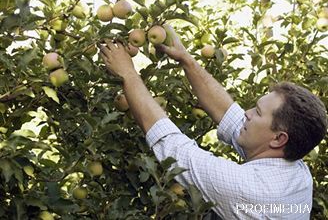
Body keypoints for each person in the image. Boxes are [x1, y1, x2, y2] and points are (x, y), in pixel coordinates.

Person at [99, 28, 327, 219]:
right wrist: (185, 59)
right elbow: (229, 114)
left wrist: (127, 73)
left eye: (257, 112)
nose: (246, 114)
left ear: (278, 139)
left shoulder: (253, 191)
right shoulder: (296, 171)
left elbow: (172, 146)